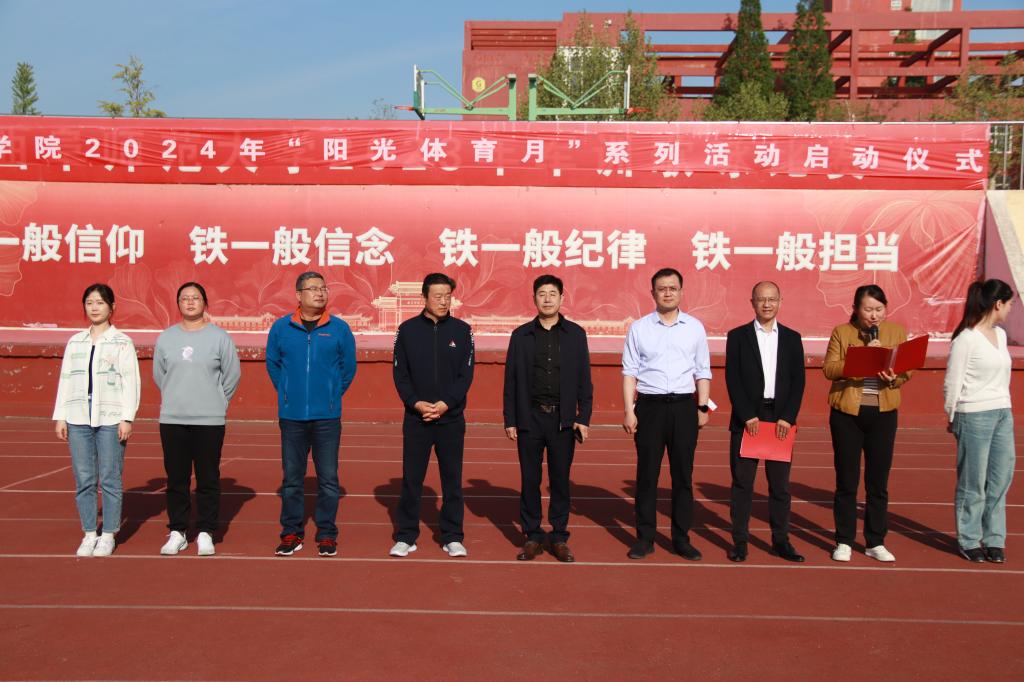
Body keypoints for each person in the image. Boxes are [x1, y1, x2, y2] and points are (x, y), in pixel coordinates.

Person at [622, 268, 711, 561]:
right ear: (653, 293)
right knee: (647, 476)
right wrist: (629, 411)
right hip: (649, 408)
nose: (668, 293)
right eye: (662, 288)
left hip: (684, 407)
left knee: (683, 476)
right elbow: (630, 372)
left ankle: (681, 538)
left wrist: (702, 406)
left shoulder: (694, 327)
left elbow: (703, 370)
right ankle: (644, 538)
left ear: (681, 292)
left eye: (673, 288)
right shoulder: (639, 328)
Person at [503, 274, 593, 562]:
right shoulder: (521, 336)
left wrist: (583, 417)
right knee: (530, 479)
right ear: (534, 298)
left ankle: (559, 536)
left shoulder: (576, 335)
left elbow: (584, 380)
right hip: (529, 418)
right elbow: (510, 380)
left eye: (552, 293)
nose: (547, 299)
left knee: (560, 480)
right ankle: (532, 535)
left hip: (562, 420)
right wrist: (510, 419)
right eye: (541, 293)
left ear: (562, 298)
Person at [266, 271, 356, 557]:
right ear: (298, 295)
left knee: (328, 479)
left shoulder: (339, 329)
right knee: (292, 479)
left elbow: (348, 368)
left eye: (323, 288)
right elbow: (273, 364)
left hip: (326, 417)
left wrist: (331, 394)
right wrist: (288, 392)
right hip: (292, 417)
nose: (320, 293)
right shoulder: (281, 328)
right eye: (313, 288)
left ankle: (326, 534)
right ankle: (291, 532)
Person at [823, 284, 911, 563]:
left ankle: (875, 541)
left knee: (878, 482)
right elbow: (829, 369)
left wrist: (895, 377)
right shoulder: (842, 332)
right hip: (847, 414)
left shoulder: (895, 332)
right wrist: (862, 359)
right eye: (868, 309)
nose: (874, 315)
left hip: (883, 414)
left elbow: (906, 369)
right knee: (846, 481)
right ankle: (844, 540)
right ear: (856, 309)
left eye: (879, 309)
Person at [153, 282, 241, 557]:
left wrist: (218, 401)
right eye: (184, 298)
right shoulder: (166, 338)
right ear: (178, 304)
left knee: (207, 478)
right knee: (176, 478)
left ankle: (206, 531)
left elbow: (232, 375)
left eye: (195, 298)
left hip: (209, 420)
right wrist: (176, 396)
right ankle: (178, 531)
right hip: (173, 418)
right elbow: (160, 375)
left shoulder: (219, 337)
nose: (190, 302)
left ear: (205, 303)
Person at [390, 273, 474, 558]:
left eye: (447, 296)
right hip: (417, 419)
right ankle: (406, 536)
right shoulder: (407, 330)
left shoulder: (462, 331)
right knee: (412, 480)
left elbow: (465, 375)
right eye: (437, 296)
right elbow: (400, 374)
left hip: (451, 418)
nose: (443, 301)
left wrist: (446, 403)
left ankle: (452, 536)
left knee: (452, 480)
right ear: (424, 297)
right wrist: (416, 403)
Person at [53, 283, 140, 557]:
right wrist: (61, 416)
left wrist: (127, 418)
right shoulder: (75, 341)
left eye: (100, 302)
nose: (94, 308)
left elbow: (131, 382)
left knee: (110, 478)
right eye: (90, 302)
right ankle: (89, 533)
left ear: (112, 307)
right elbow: (65, 379)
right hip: (78, 416)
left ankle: (109, 534)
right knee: (84, 479)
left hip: (110, 417)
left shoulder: (122, 342)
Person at [724, 281, 806, 563]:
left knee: (780, 486)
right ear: (752, 303)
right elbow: (733, 379)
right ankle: (740, 542)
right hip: (748, 419)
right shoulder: (738, 336)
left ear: (780, 301)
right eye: (761, 299)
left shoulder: (792, 338)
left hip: (780, 419)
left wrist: (788, 417)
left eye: (772, 299)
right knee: (742, 484)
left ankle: (781, 540)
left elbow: (798, 381)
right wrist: (747, 414)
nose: (767, 304)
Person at [944, 279, 1016, 564]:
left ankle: (994, 539)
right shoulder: (966, 339)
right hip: (973, 414)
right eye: (1009, 304)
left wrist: (1005, 407)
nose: (1010, 309)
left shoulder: (1000, 335)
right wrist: (952, 415)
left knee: (1000, 479)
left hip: (1002, 413)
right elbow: (953, 381)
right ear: (998, 304)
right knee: (973, 481)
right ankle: (969, 539)